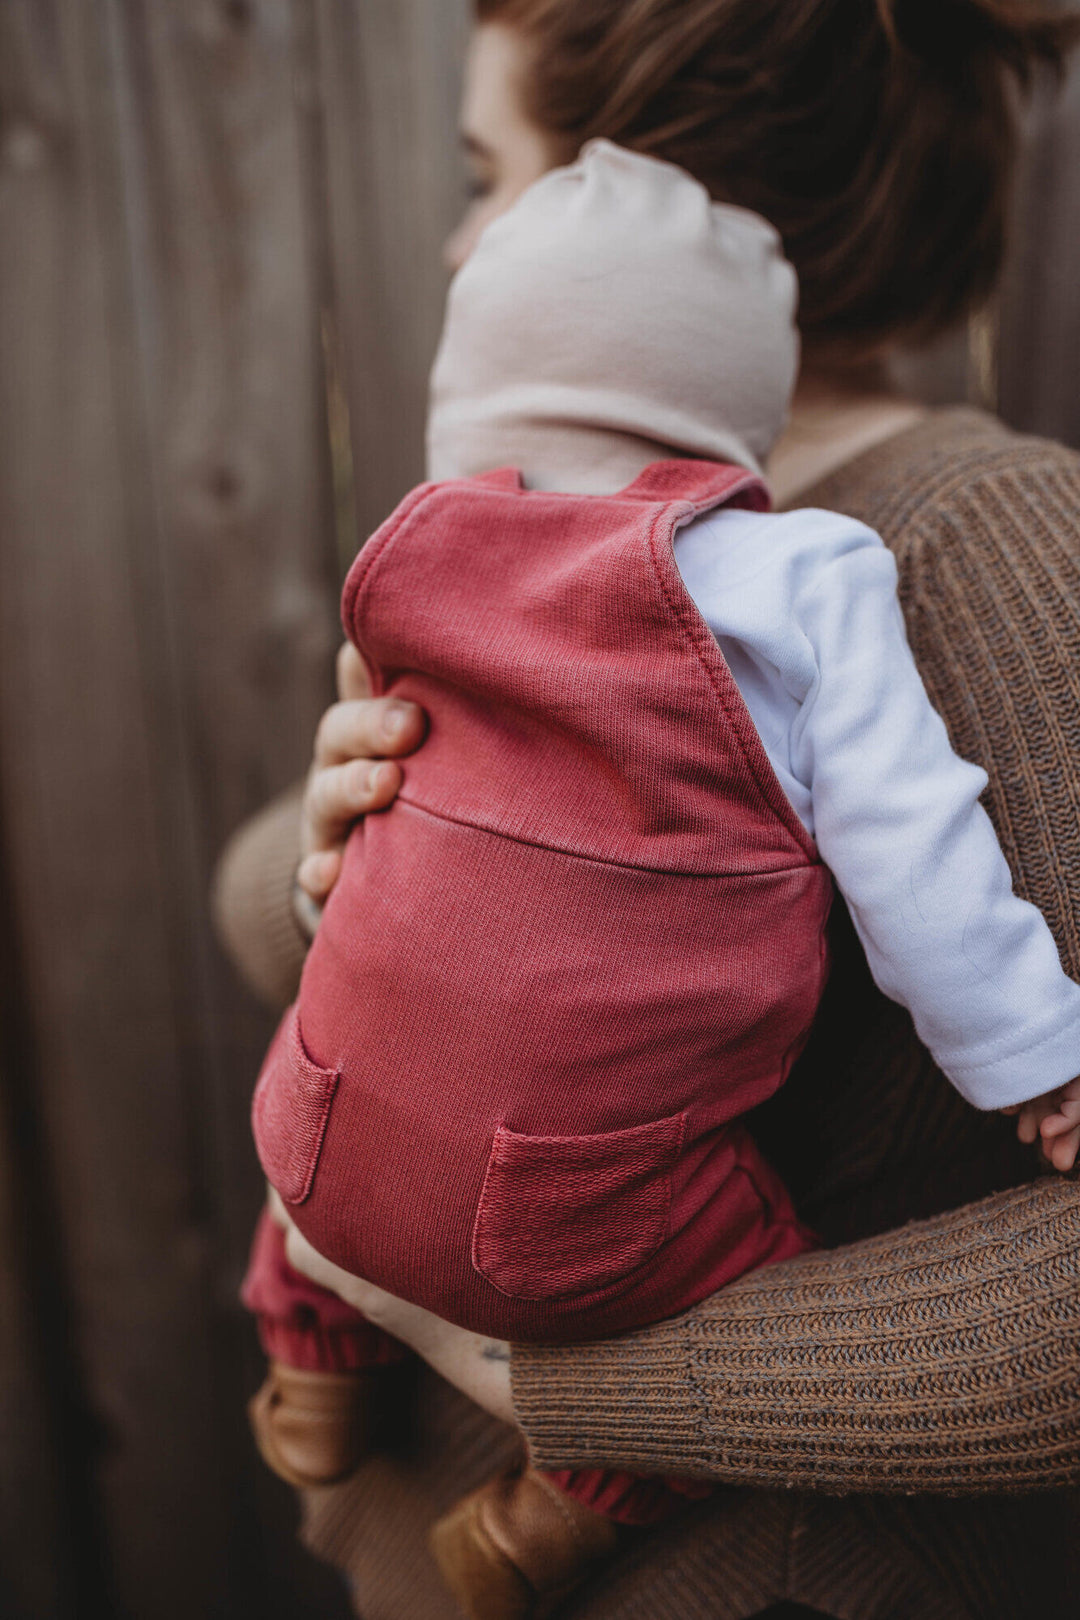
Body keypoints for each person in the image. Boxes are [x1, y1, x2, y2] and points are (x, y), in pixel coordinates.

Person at [213, 2, 1080, 1617]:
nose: (469, 242)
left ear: (658, 194)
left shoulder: (995, 549)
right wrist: (354, 849)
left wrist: (576, 1385)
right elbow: (257, 884)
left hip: (755, 1575)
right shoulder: (538, 514)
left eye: (492, 180)